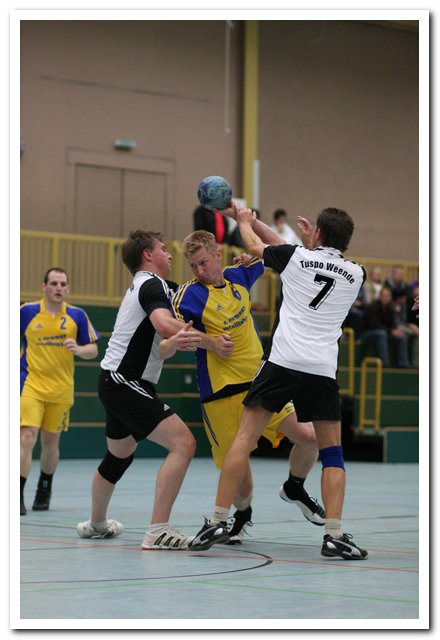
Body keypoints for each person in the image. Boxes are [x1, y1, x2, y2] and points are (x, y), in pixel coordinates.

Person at [188, 205, 369, 560]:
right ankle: (334, 535)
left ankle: (218, 520)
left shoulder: (297, 259)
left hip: (283, 363)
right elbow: (313, 262)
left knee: (243, 439)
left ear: (318, 233)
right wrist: (307, 245)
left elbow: (256, 248)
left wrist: (245, 222)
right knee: (332, 453)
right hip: (321, 369)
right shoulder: (356, 273)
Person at [171, 230, 324, 543]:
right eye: (193, 266)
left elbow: (274, 255)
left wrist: (305, 246)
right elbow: (172, 331)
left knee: (310, 437)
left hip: (261, 384)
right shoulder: (188, 295)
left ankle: (294, 486)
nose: (199, 270)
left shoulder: (238, 275)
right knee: (243, 489)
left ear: (217, 255)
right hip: (221, 394)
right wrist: (211, 343)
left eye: (203, 262)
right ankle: (241, 515)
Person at [76, 229, 212, 549]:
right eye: (163, 248)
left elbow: (192, 296)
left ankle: (97, 524)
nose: (170, 254)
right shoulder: (152, 284)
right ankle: (158, 530)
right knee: (184, 443)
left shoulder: (152, 286)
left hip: (116, 381)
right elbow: (164, 324)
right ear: (148, 255)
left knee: (118, 456)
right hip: (126, 382)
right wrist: (213, 343)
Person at [20, 268, 100, 516]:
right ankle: (16, 494)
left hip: (61, 389)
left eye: (62, 284)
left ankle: (44, 489)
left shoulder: (77, 315)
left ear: (67, 288)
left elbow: (93, 350)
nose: (58, 288)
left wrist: (78, 349)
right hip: (30, 384)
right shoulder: (27, 312)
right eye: (53, 283)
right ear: (43, 286)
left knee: (50, 442)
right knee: (26, 437)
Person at [361, 285, 410, 368]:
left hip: (385, 331)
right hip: (368, 333)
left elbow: (393, 323)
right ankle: (385, 363)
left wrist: (396, 330)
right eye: (384, 295)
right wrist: (391, 331)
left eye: (388, 296)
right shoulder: (372, 306)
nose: (386, 298)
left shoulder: (391, 307)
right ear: (380, 296)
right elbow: (374, 325)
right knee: (382, 334)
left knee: (401, 335)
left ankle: (403, 363)